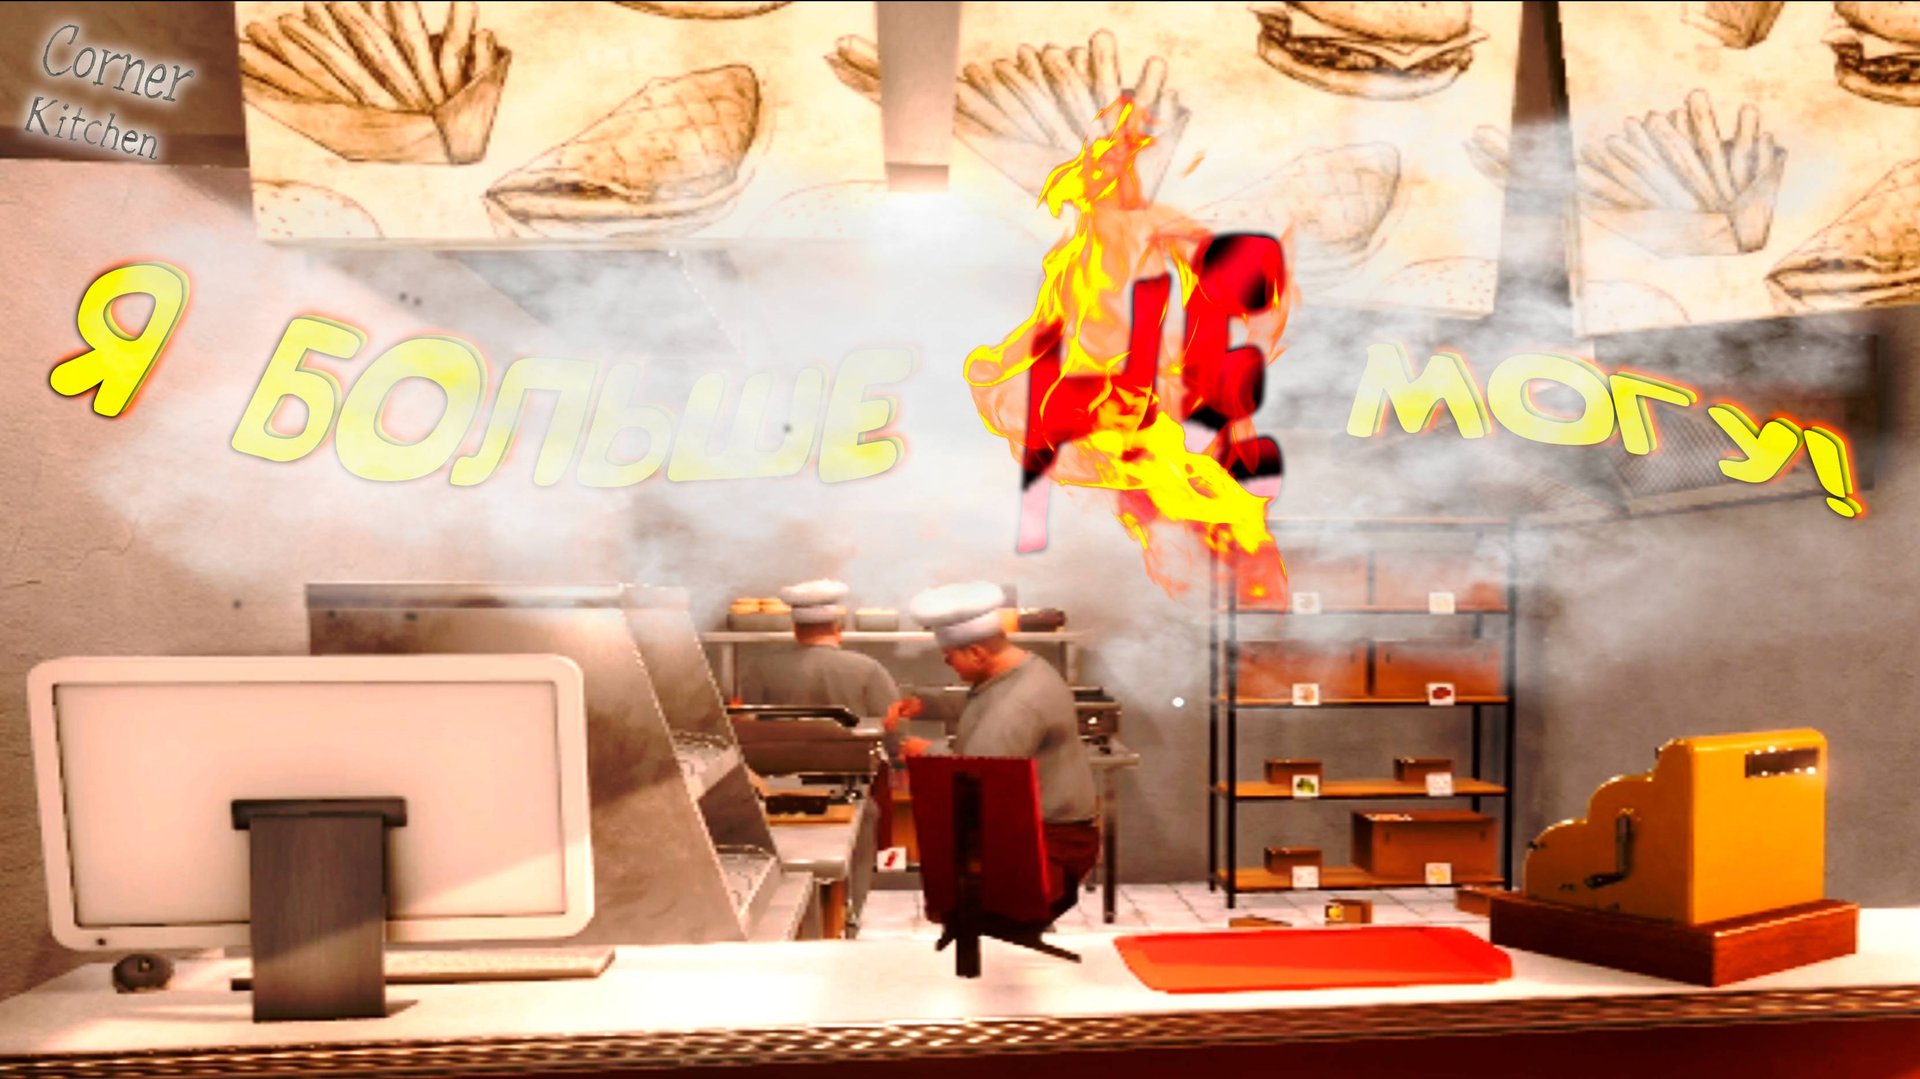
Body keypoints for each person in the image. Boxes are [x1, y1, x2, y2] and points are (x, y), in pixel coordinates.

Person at [902, 581, 1099, 923]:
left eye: (951, 658)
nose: (949, 665)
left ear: (977, 653)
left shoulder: (1019, 703)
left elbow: (981, 771)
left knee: (984, 919)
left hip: (1048, 843)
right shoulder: (1021, 670)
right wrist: (926, 704)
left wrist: (925, 751)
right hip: (1038, 832)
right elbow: (982, 699)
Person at [739, 579, 917, 728]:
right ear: (837, 629)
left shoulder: (761, 669)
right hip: (852, 758)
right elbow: (891, 726)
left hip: (778, 758)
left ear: (796, 630)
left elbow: (747, 724)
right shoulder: (868, 668)